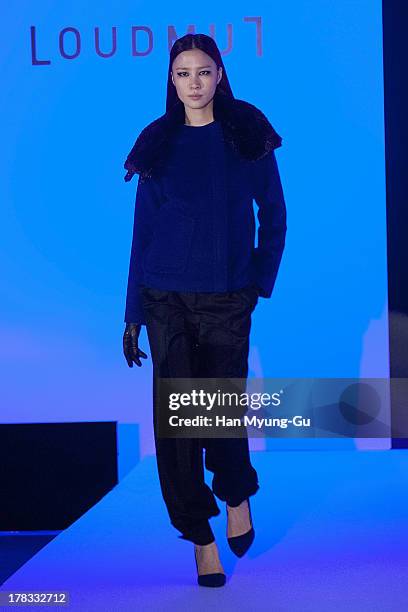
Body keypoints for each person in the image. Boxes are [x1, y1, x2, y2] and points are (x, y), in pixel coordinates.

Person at [122, 33, 287, 588]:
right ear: (171, 81)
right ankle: (199, 535)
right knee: (176, 427)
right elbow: (142, 237)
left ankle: (235, 489)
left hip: (226, 298)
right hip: (164, 298)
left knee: (217, 411)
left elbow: (276, 214)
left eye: (203, 71)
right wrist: (132, 315)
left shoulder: (246, 135)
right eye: (182, 73)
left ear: (219, 75)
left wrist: (255, 284)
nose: (193, 82)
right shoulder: (157, 144)